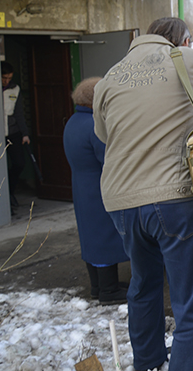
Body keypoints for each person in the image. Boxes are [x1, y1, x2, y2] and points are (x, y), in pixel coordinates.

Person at [93, 17, 193, 371]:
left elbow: (103, 134)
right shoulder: (184, 59)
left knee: (143, 287)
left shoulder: (110, 76)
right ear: (184, 41)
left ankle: (148, 363)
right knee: (191, 299)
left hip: (121, 200)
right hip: (172, 195)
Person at [63, 76, 128, 305]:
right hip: (100, 187)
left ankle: (97, 286)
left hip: (82, 187)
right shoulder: (94, 124)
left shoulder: (73, 121)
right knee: (104, 236)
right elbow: (108, 159)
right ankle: (108, 291)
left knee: (90, 235)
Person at [1, 61, 30, 215]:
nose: (6, 81)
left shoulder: (15, 88)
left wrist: (24, 133)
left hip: (13, 131)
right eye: (3, 78)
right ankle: (4, 200)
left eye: (8, 78)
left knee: (19, 163)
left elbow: (18, 113)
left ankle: (10, 191)